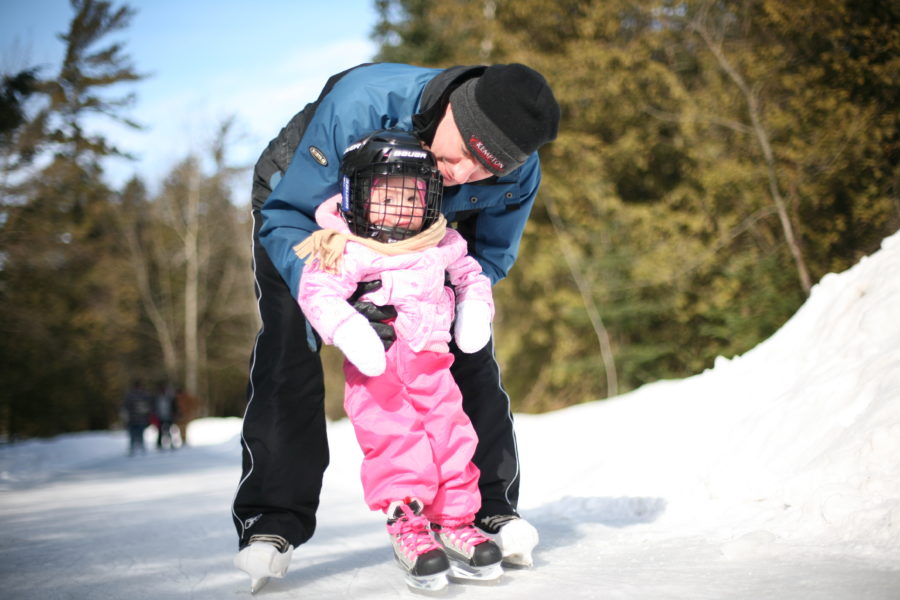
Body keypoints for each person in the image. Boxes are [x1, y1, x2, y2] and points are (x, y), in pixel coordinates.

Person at [232, 62, 560, 592]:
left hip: (422, 242)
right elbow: (289, 213)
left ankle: (487, 506)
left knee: (464, 349)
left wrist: (443, 301)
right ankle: (271, 521)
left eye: (486, 171)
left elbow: (488, 256)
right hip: (309, 220)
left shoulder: (516, 169)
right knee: (292, 342)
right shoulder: (364, 104)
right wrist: (342, 300)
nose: (466, 174)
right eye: (464, 154)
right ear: (454, 110)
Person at [294, 131, 502, 592]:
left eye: (413, 195)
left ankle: (455, 519)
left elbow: (471, 275)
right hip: (380, 371)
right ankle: (408, 524)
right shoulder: (347, 247)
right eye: (388, 195)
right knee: (396, 441)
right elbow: (318, 292)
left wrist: (473, 308)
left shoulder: (439, 241)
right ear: (359, 195)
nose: (402, 206)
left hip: (433, 362)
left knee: (451, 436)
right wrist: (350, 330)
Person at [122, 380, 151, 456]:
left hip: (141, 419)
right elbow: (125, 407)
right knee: (132, 435)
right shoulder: (130, 396)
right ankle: (132, 449)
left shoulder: (144, 395)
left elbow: (148, 406)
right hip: (132, 419)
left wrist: (146, 412)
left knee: (141, 434)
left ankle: (141, 449)